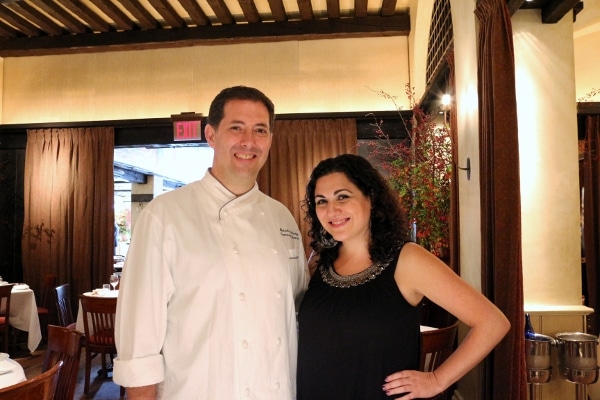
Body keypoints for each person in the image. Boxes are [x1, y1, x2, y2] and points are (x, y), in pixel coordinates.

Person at [113, 86, 309, 399]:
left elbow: (300, 313)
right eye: (236, 128)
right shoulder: (164, 216)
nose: (249, 141)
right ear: (211, 135)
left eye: (260, 130)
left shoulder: (282, 218)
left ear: (270, 139)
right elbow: (139, 341)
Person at [296, 154, 510, 399]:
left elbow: (492, 322)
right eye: (321, 201)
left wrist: (437, 380)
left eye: (343, 196)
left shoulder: (408, 260)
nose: (331, 210)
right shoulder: (319, 262)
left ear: (371, 198)